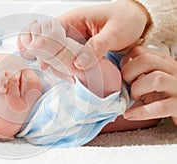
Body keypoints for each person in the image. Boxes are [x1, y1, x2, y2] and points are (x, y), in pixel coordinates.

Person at [0, 18, 159, 147]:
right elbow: (107, 83)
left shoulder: (20, 70)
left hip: (145, 48)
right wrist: (60, 49)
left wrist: (45, 33)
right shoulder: (46, 124)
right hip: (155, 89)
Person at [27, 0, 177, 125]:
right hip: (145, 60)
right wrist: (141, 12)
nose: (4, 82)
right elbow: (107, 85)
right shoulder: (41, 124)